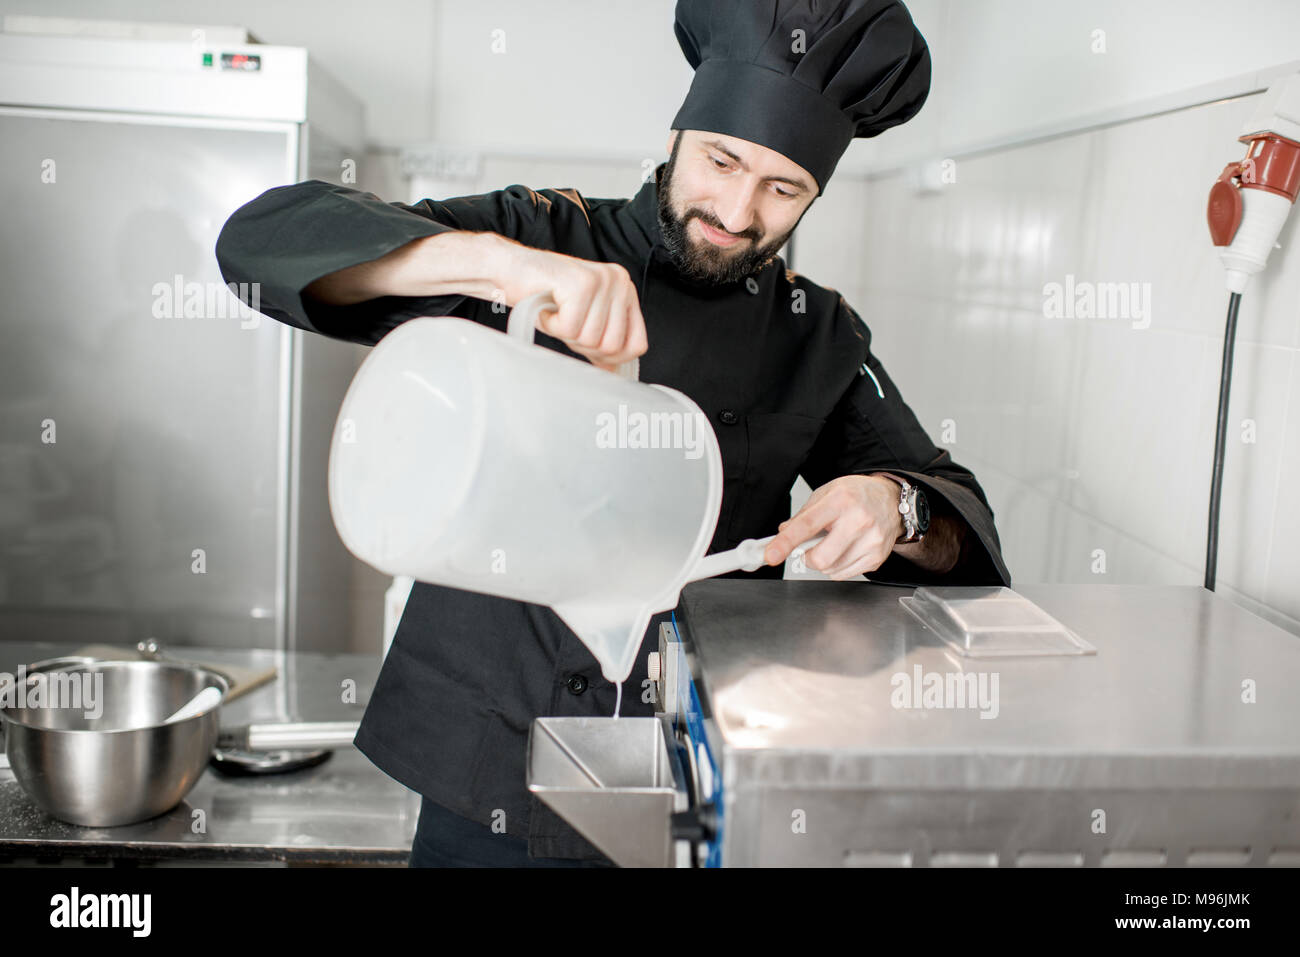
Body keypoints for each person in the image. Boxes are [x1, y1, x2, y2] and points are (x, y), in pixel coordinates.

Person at [215, 0, 1011, 867]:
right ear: (680, 133)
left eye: (783, 189)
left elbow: (962, 519)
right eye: (722, 160)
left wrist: (893, 505)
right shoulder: (543, 233)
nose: (739, 211)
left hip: (688, 775)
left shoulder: (814, 333)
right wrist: (505, 266)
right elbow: (261, 240)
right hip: (489, 769)